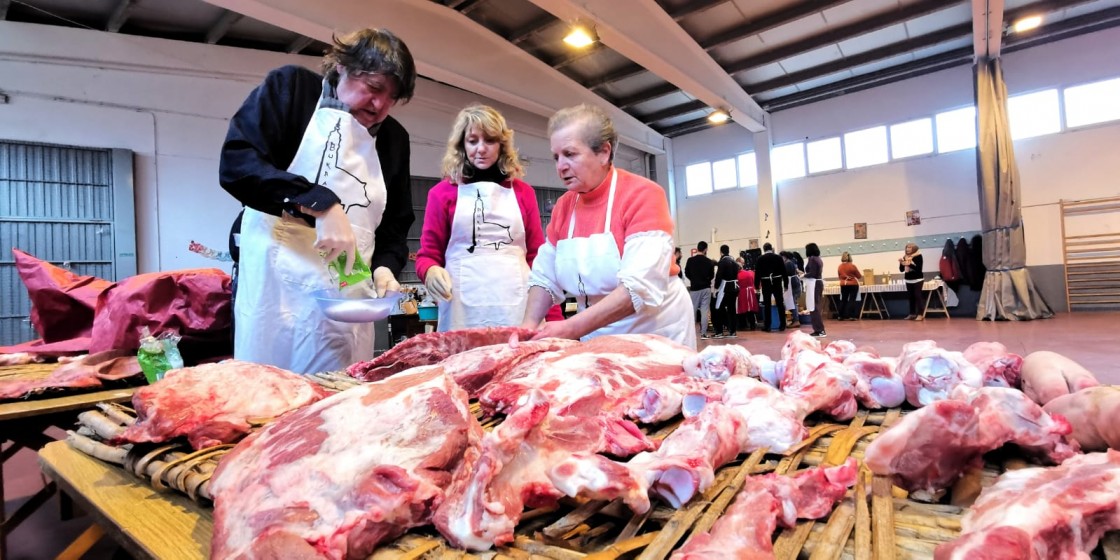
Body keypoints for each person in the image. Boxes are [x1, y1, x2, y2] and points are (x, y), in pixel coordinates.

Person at [220, 28, 417, 373]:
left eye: (392, 97)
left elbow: (396, 224)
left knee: (336, 400)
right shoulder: (291, 89)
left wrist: (386, 265)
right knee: (271, 393)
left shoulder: (395, 140)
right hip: (278, 289)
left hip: (347, 295)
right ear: (342, 66)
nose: (380, 105)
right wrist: (321, 203)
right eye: (373, 89)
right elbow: (239, 164)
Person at [520, 104, 695, 348]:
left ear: (603, 152)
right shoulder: (563, 207)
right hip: (596, 332)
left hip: (653, 332)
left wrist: (570, 328)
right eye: (556, 157)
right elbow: (544, 277)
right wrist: (528, 327)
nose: (560, 166)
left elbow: (638, 288)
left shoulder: (643, 195)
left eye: (570, 154)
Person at [415, 104, 545, 331]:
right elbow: (427, 256)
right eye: (473, 141)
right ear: (462, 145)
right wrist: (430, 271)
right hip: (461, 314)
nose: (481, 149)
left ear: (502, 145)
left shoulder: (524, 193)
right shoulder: (442, 193)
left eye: (490, 140)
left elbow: (538, 259)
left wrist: (550, 314)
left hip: (519, 312)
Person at [754, 243, 788, 332]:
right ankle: (782, 325)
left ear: (764, 249)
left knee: (767, 305)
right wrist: (786, 284)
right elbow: (784, 271)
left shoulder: (760, 259)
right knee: (780, 304)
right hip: (777, 282)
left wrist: (756, 285)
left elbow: (757, 273)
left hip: (766, 283)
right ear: (771, 248)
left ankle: (767, 326)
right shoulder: (778, 257)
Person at [685, 241, 716, 339]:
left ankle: (691, 334)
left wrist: (693, 279)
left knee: (692, 311)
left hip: (694, 289)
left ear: (697, 248)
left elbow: (687, 273)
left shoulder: (690, 260)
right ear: (705, 249)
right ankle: (703, 334)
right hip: (706, 288)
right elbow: (711, 275)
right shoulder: (709, 261)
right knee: (705, 311)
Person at [711, 244, 740, 339]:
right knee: (732, 310)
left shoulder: (722, 262)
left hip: (725, 287)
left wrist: (716, 287)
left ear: (721, 252)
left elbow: (719, 276)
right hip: (734, 287)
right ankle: (733, 331)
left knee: (718, 308)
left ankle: (719, 332)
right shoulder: (734, 262)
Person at [804, 243, 826, 338]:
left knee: (814, 307)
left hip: (814, 284)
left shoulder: (812, 259)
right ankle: (818, 329)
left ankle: (819, 329)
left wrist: (803, 275)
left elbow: (812, 273)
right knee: (815, 306)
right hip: (818, 283)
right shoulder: (818, 258)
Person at [900, 242, 925, 320]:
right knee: (911, 297)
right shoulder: (905, 257)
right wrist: (901, 263)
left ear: (914, 249)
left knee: (918, 296)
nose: (907, 250)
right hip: (908, 280)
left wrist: (909, 263)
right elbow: (901, 270)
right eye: (907, 249)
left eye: (909, 248)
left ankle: (920, 314)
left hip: (918, 279)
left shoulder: (918, 256)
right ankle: (912, 314)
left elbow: (918, 269)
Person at [837, 251, 863, 321]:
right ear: (850, 258)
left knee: (843, 300)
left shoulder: (840, 266)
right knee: (852, 300)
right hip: (853, 284)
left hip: (843, 284)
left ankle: (840, 315)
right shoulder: (852, 266)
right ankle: (851, 316)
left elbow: (839, 276)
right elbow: (859, 276)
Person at [736, 255, 758, 331]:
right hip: (750, 292)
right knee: (750, 309)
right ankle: (752, 325)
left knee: (742, 309)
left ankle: (742, 325)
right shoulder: (749, 273)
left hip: (742, 292)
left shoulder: (737, 275)